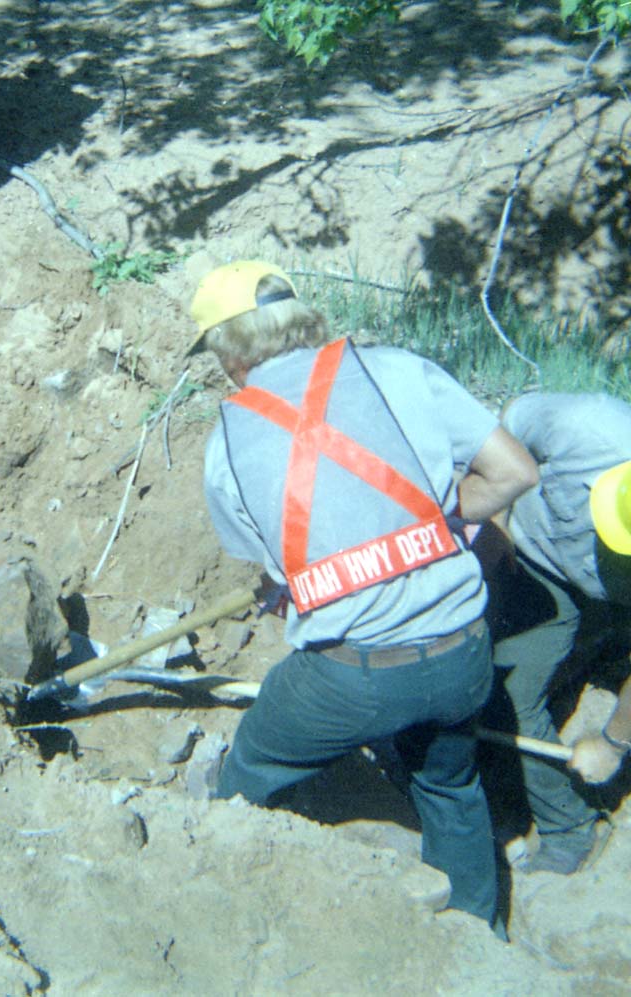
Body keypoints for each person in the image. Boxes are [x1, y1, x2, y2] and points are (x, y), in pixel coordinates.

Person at [189, 260, 539, 934]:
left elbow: (282, 568)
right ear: (302, 317)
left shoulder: (225, 445)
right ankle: (479, 940)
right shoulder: (404, 370)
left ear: (230, 353)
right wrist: (439, 523)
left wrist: (294, 583)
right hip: (465, 653)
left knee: (257, 752)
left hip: (354, 679)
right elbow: (516, 471)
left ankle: (213, 857)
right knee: (448, 782)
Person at [479, 393, 631, 874]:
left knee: (520, 698)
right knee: (501, 688)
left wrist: (612, 743)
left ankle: (568, 830)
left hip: (613, 603)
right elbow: (507, 432)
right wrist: (496, 527)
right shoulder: (587, 426)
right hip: (540, 566)